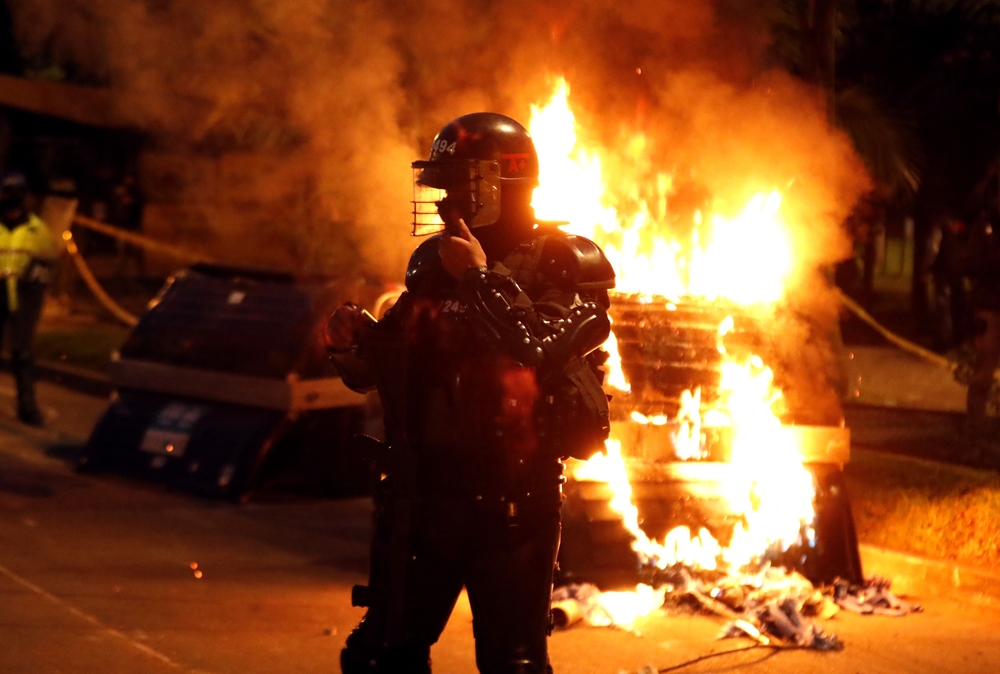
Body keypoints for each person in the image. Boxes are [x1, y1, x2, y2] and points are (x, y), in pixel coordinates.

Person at [326, 112, 615, 674]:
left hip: (512, 504)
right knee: (380, 653)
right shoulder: (434, 265)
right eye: (442, 187)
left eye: (461, 186)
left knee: (514, 662)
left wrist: (480, 278)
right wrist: (354, 340)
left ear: (504, 183)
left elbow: (539, 349)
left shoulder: (564, 261)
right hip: (423, 496)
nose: (444, 202)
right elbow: (383, 369)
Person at [0, 171, 58, 426]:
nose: (12, 199)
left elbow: (48, 263)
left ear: (24, 196)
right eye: (7, 193)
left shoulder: (38, 230)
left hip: (23, 298)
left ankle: (27, 407)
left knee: (22, 355)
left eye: (17, 193)